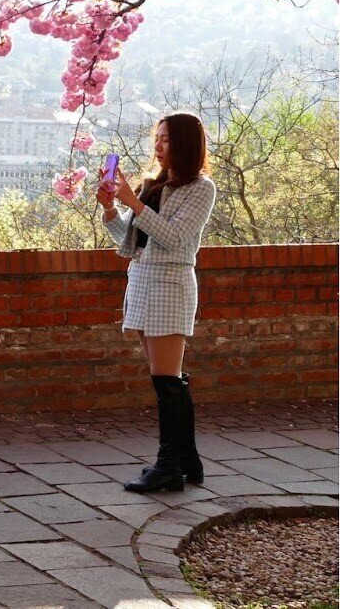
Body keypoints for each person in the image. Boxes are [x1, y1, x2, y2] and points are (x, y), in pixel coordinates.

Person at [96, 112, 217, 493]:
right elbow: (132, 241)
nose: (158, 146)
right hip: (144, 283)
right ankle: (188, 461)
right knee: (169, 380)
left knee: (166, 380)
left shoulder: (200, 187)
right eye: (157, 138)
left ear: (185, 143)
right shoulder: (155, 185)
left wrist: (134, 202)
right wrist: (113, 210)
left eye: (166, 139)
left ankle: (168, 466)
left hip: (170, 284)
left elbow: (177, 239)